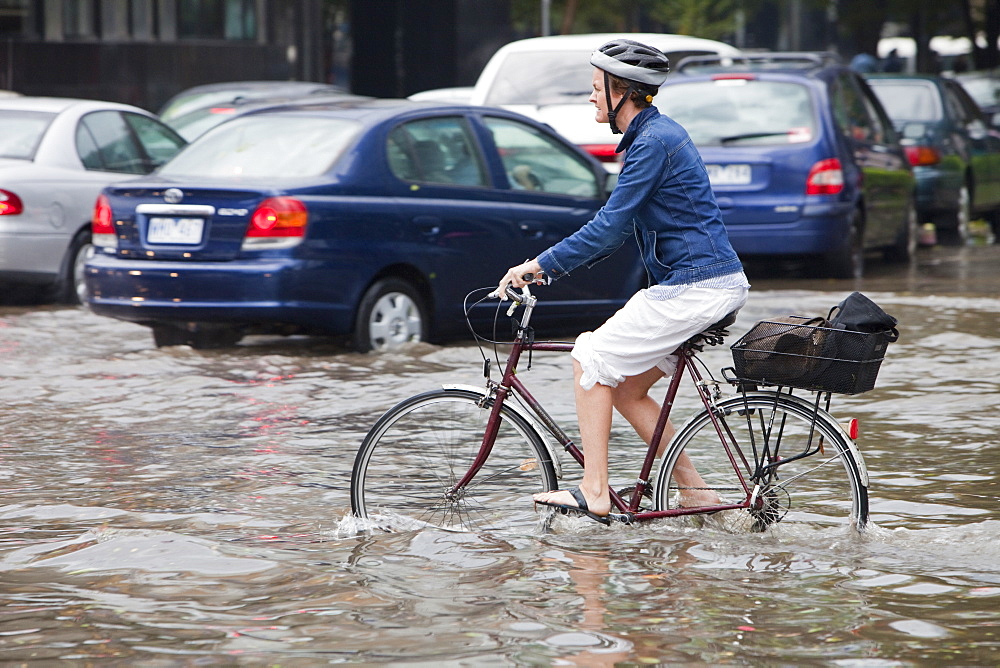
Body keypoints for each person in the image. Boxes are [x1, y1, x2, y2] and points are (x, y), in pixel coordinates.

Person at [493, 39, 750, 522]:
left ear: (623, 92)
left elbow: (609, 225)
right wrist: (552, 269)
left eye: (596, 89)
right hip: (708, 283)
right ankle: (697, 494)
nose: (590, 98)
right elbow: (616, 233)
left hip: (697, 285)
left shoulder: (652, 143)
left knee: (588, 356)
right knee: (628, 389)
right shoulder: (652, 137)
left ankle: (593, 489)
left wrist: (540, 265)